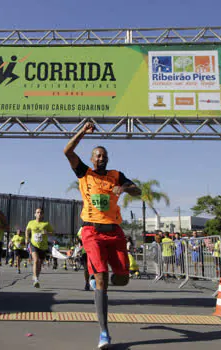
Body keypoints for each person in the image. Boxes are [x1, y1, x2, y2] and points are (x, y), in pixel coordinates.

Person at [64, 121, 141, 349]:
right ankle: (104, 332)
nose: (100, 159)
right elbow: (67, 151)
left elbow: (138, 190)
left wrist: (124, 188)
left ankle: (96, 274)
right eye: (97, 156)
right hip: (92, 231)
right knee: (102, 280)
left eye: (104, 156)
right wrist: (82, 132)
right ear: (92, 158)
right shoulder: (84, 173)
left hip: (115, 232)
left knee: (122, 279)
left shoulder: (116, 176)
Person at [26, 207, 54, 288]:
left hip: (43, 247)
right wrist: (26, 238)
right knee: (36, 260)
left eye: (41, 212)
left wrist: (47, 232)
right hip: (34, 245)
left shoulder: (46, 224)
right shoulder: (31, 223)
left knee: (40, 264)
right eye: (37, 212)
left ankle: (36, 276)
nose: (39, 214)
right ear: (35, 214)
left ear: (43, 214)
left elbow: (53, 232)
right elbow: (27, 230)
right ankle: (35, 280)